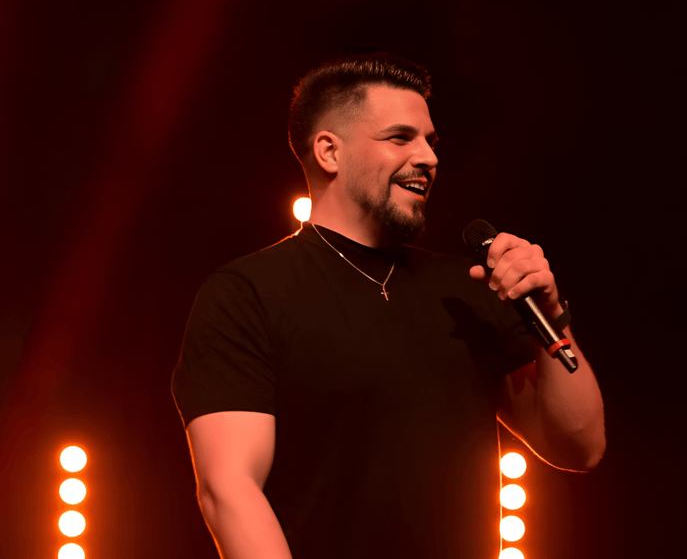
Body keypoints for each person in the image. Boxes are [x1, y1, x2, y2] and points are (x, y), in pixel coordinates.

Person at [171, 53, 605, 559]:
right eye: (400, 138)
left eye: (431, 142)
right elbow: (228, 490)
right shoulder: (247, 293)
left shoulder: (467, 289)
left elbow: (580, 447)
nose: (428, 158)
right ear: (329, 152)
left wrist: (549, 314)